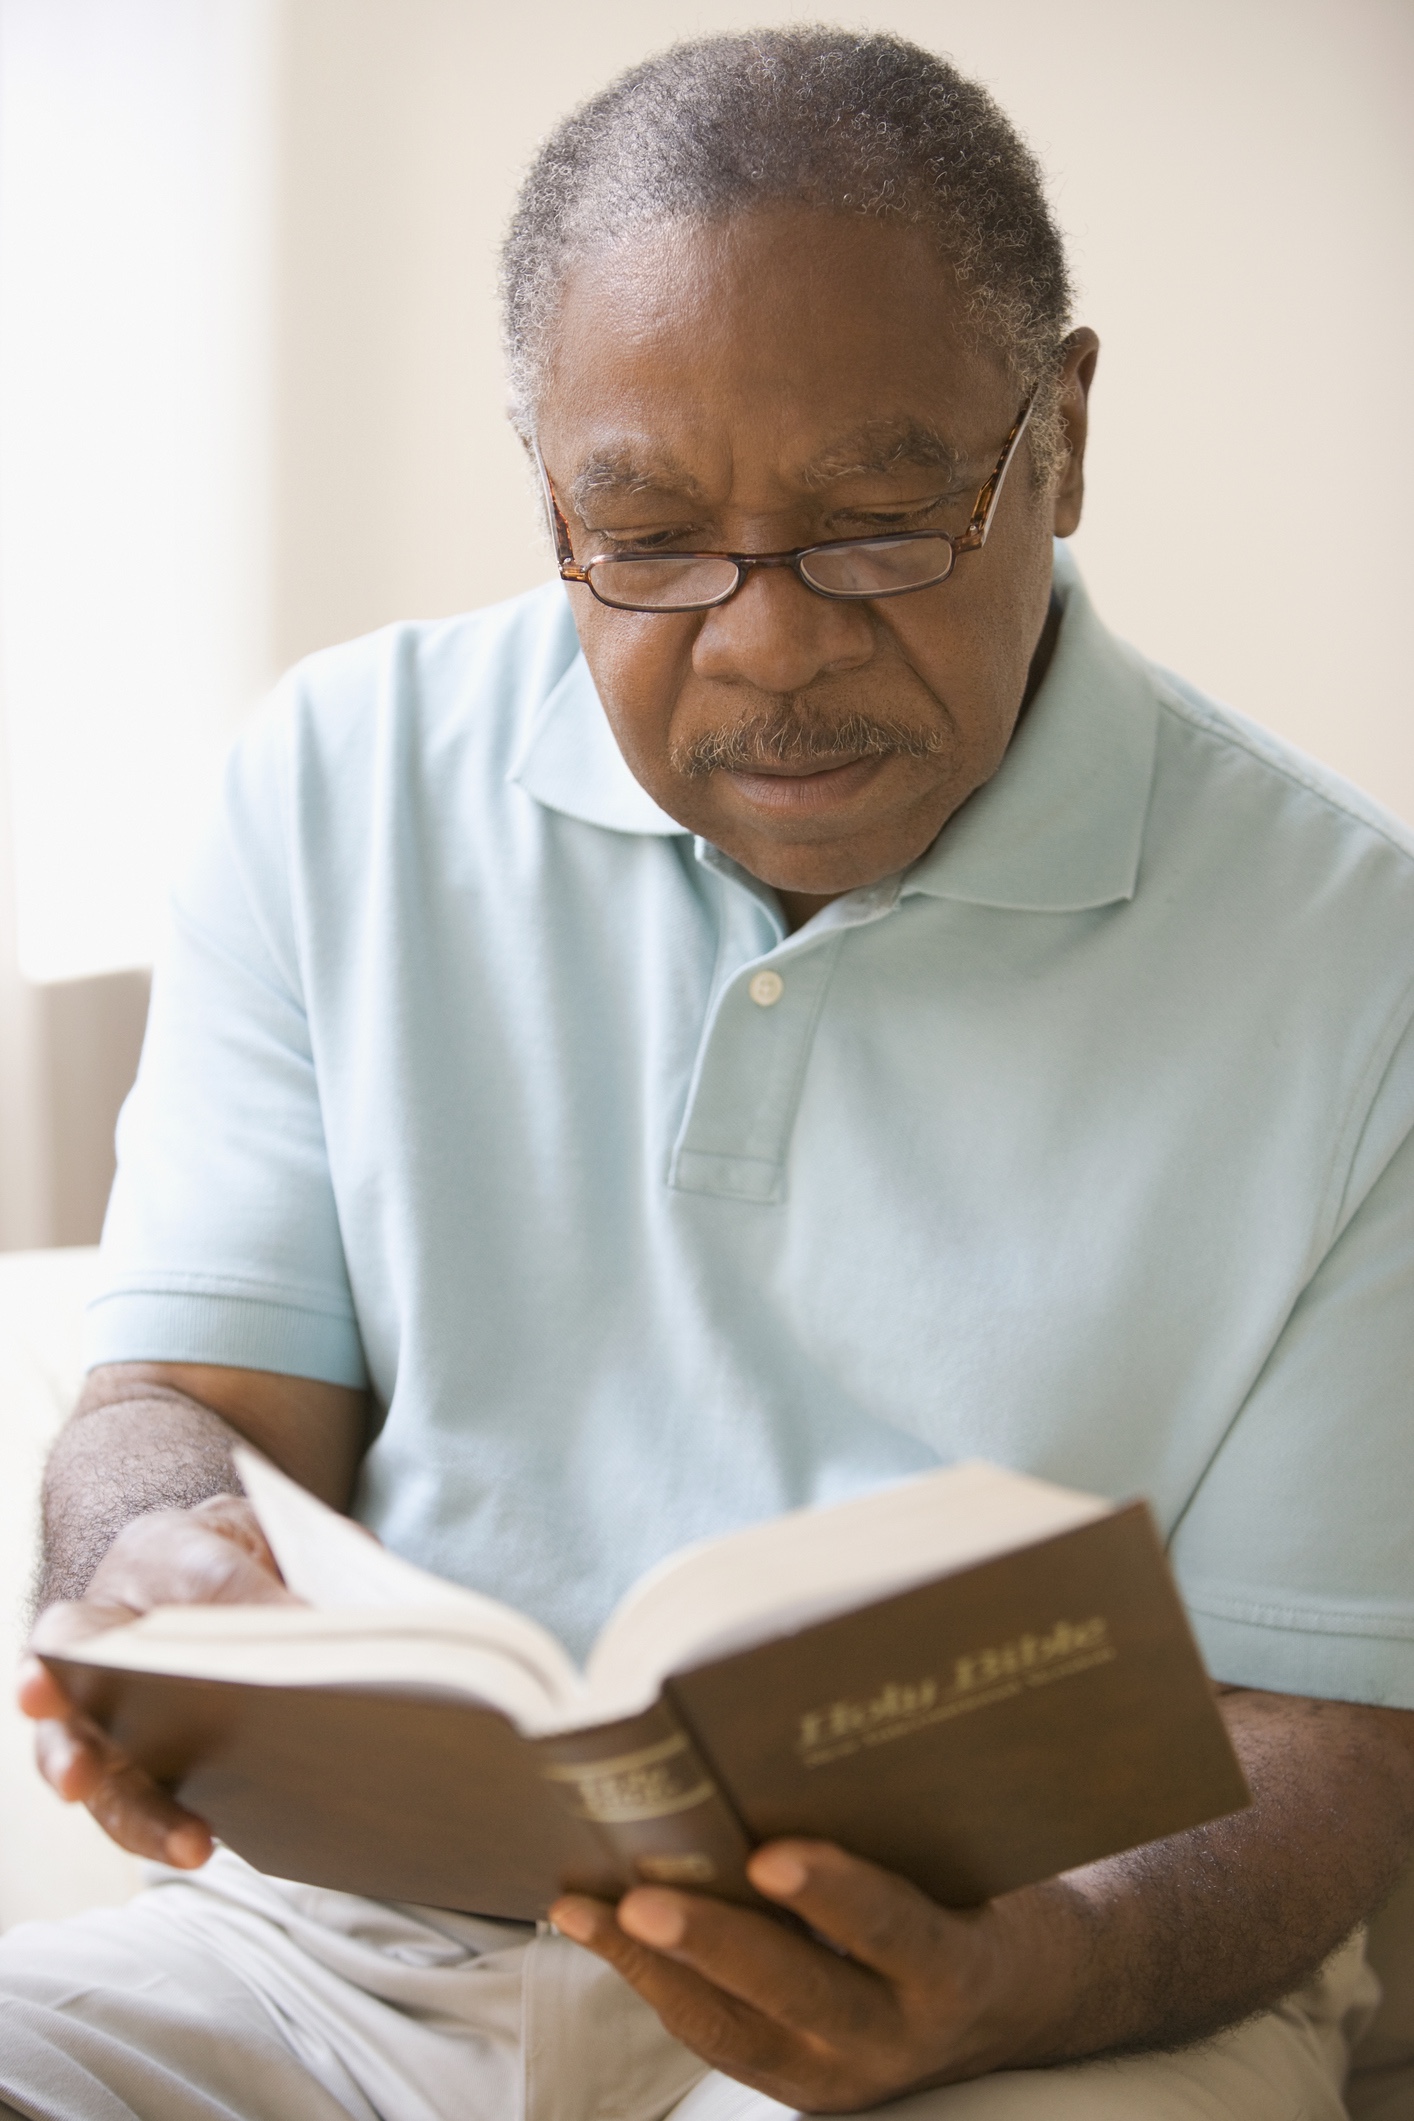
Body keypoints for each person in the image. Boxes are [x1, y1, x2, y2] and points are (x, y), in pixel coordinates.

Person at [4, 27, 1413, 2121]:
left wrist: (1006, 1975)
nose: (758, 641)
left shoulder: (1356, 963)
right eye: (642, 532)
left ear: (1062, 437)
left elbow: (1334, 1729)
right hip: (345, 1954)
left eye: (873, 520)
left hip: (1036, 1992)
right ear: (549, 486)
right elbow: (187, 1405)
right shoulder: (334, 778)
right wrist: (144, 1559)